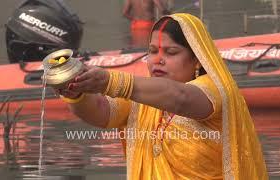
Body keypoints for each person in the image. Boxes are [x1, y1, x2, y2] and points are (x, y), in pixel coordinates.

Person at [57, 13, 268, 179]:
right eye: (152, 51)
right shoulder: (143, 96)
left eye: (171, 52)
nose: (158, 60)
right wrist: (76, 93)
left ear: (197, 59)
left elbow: (181, 98)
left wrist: (110, 81)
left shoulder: (215, 90)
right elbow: (102, 113)